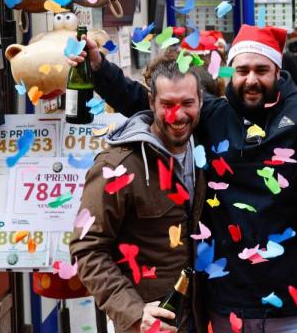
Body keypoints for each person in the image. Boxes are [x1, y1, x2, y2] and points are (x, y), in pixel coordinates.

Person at [70, 25, 297, 333]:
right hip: (228, 302)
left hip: (296, 304)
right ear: (230, 72)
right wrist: (99, 67)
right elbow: (148, 99)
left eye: (261, 70)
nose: (251, 79)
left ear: (278, 72)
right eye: (242, 69)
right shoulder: (210, 114)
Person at [71, 49, 207, 333]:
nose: (178, 114)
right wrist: (133, 312)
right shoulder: (117, 165)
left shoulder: (205, 152)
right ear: (151, 102)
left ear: (201, 101)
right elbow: (87, 249)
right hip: (146, 324)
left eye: (187, 103)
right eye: (167, 103)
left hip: (195, 318)